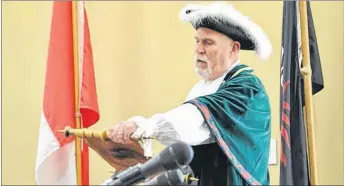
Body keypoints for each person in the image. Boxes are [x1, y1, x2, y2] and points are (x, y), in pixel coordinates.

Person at [108, 3, 272, 186]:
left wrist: (144, 126)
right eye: (197, 41)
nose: (199, 50)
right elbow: (188, 147)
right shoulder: (203, 88)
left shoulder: (247, 89)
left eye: (208, 42)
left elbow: (194, 122)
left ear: (233, 49)